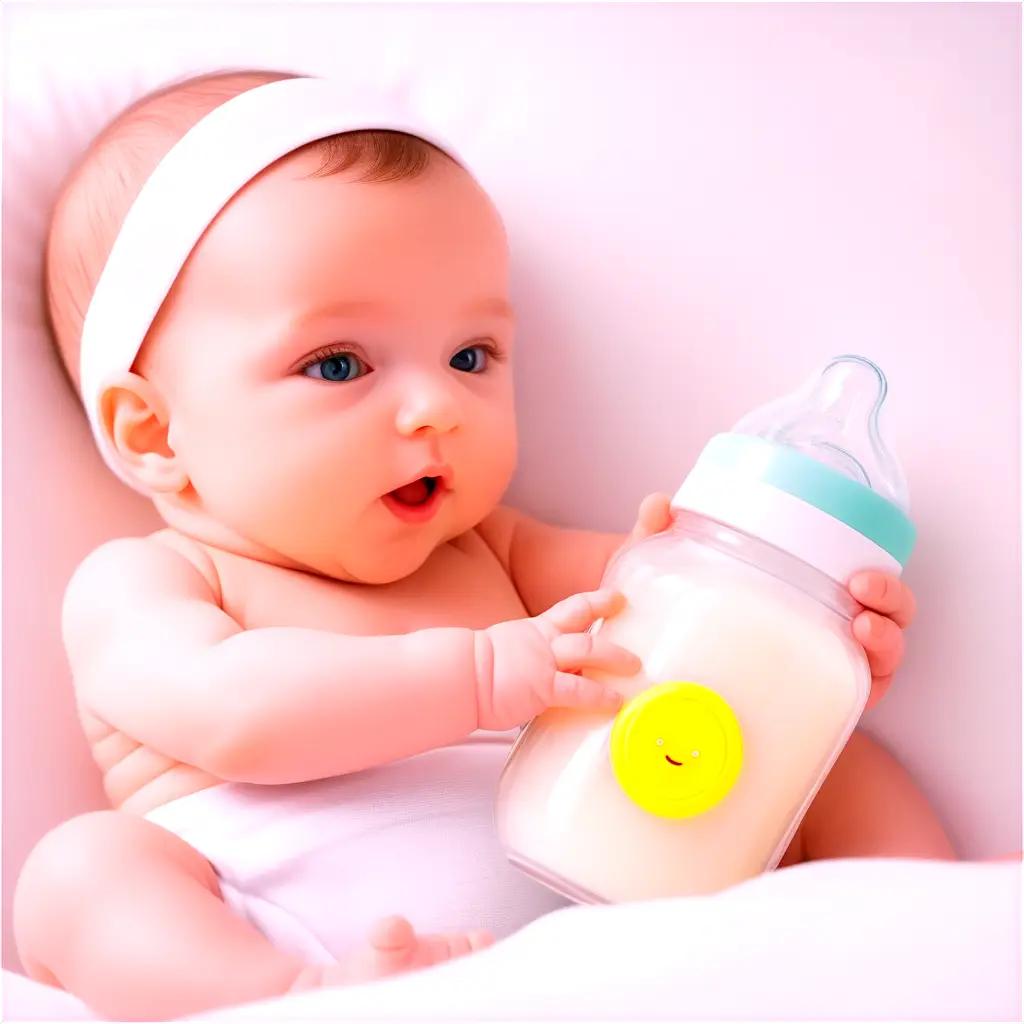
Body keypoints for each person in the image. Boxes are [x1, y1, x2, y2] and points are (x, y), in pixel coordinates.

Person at [13, 68, 952, 1021]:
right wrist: (476, 678)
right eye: (338, 364)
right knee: (76, 873)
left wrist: (804, 641)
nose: (436, 409)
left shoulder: (503, 553)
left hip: (609, 908)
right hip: (305, 941)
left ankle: (940, 933)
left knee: (848, 765)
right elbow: (232, 715)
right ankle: (280, 1003)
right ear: (152, 433)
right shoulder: (151, 580)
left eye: (471, 357)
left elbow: (695, 630)